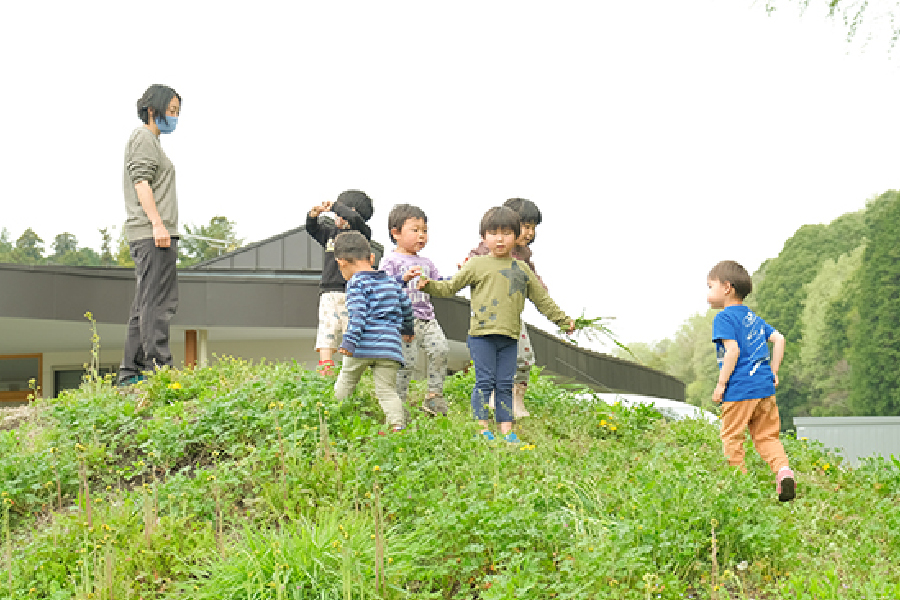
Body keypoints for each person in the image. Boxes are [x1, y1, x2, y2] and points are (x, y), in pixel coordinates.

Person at [418, 206, 574, 443]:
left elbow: (542, 300)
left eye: (506, 233)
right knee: (484, 381)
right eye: (493, 233)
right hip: (481, 336)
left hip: (509, 337)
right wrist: (428, 285)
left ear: (516, 237)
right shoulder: (476, 264)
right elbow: (449, 287)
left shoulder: (522, 269)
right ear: (483, 237)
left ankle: (506, 429)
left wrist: (563, 321)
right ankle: (482, 427)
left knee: (504, 383)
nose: (499, 239)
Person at [707, 260, 796, 502]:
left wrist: (721, 385)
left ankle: (740, 489)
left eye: (710, 286)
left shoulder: (724, 318)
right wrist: (773, 372)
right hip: (764, 389)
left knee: (732, 437)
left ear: (727, 287)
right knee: (767, 437)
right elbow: (779, 339)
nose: (708, 293)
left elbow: (733, 351)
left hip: (739, 390)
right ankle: (783, 471)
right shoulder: (753, 318)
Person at [117, 84, 182, 386]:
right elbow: (141, 182)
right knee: (158, 303)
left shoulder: (152, 142)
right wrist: (157, 224)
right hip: (153, 234)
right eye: (172, 111)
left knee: (144, 304)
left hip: (153, 233)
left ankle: (131, 372)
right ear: (153, 110)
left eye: (178, 112)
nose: (175, 117)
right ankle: (159, 368)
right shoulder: (142, 137)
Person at [466, 198, 544, 418]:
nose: (529, 233)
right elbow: (474, 260)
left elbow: (534, 280)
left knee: (525, 357)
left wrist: (541, 292)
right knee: (491, 362)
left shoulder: (523, 255)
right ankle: (492, 397)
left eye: (533, 228)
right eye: (526, 226)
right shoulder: (486, 250)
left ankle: (516, 399)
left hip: (511, 316)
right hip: (489, 315)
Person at [333, 231, 415, 432]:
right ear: (371, 258)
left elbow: (358, 314)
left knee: (347, 381)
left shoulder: (356, 283)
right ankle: (397, 426)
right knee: (387, 391)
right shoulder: (392, 282)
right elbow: (407, 307)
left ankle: (334, 416)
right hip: (389, 347)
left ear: (341, 263)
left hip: (362, 345)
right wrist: (407, 329)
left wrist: (349, 341)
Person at [379, 204, 450, 416]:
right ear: (396, 233)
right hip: (403, 321)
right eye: (415, 230)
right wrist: (403, 278)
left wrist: (460, 275)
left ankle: (434, 396)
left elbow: (439, 284)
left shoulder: (427, 263)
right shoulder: (390, 260)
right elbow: (383, 287)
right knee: (406, 364)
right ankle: (398, 404)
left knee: (441, 350)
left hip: (427, 318)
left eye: (424, 231)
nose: (421, 235)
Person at [306, 190, 374, 376]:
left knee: (351, 330)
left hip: (351, 291)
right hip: (328, 291)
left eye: (340, 212)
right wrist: (313, 215)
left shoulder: (360, 235)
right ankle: (325, 366)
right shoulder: (330, 234)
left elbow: (355, 219)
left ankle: (352, 369)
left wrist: (336, 206)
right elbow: (312, 229)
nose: (337, 215)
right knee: (326, 328)